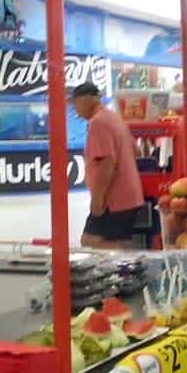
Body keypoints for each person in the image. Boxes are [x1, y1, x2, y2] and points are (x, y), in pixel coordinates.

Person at [71, 81, 145, 249]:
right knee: (118, 240)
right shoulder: (114, 117)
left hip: (114, 199)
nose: (75, 110)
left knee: (90, 242)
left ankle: (130, 263)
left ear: (86, 100)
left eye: (75, 104)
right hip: (130, 196)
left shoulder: (98, 122)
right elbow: (136, 151)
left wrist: (97, 198)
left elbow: (107, 161)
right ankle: (127, 268)